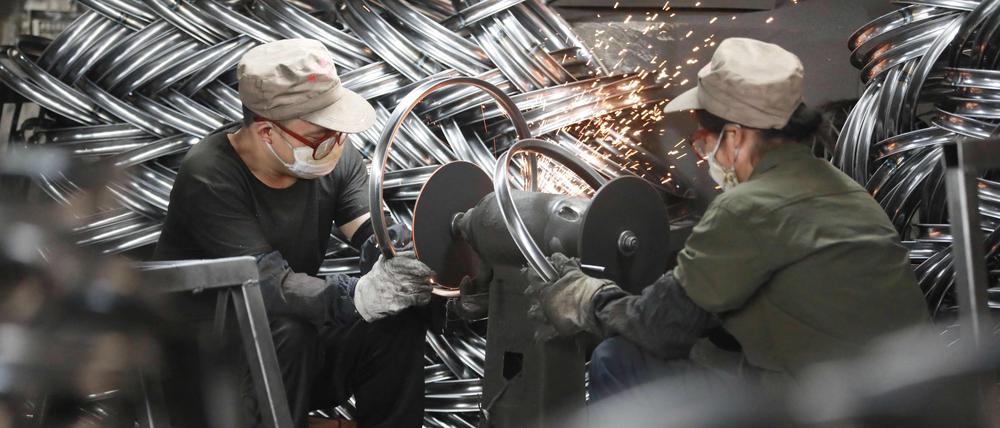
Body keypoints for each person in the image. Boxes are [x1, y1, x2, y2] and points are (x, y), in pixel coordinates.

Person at [525, 38, 929, 402]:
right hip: (907, 395)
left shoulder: (746, 207)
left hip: (821, 407)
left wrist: (586, 298)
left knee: (619, 357)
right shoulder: (845, 190)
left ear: (734, 137)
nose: (708, 156)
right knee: (707, 353)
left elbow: (658, 328)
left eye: (704, 141)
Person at [154, 39, 431, 428]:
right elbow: (265, 285)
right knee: (287, 328)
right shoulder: (209, 175)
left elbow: (373, 234)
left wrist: (424, 271)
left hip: (288, 354)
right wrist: (360, 294)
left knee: (394, 323)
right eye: (321, 136)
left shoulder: (334, 157)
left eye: (340, 133)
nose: (336, 145)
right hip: (207, 370)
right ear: (267, 132)